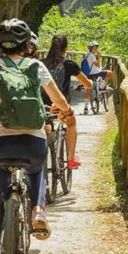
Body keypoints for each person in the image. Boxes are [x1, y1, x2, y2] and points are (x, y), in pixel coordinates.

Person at [0, 18, 75, 254]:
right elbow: (58, 99)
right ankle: (38, 209)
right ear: (27, 45)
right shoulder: (36, 67)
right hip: (32, 143)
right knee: (36, 170)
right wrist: (66, 111)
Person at [43, 34, 92, 169]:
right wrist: (89, 84)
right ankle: (71, 158)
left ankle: (47, 132)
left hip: (42, 107)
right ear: (66, 48)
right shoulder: (69, 64)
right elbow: (87, 84)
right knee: (71, 123)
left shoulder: (41, 64)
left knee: (45, 125)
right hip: (60, 106)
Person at [81, 41, 113, 115]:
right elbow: (97, 65)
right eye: (95, 47)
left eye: (96, 47)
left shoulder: (87, 54)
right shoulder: (92, 55)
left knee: (88, 88)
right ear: (92, 48)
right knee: (110, 73)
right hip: (95, 73)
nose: (96, 49)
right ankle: (101, 87)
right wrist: (98, 56)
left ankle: (86, 108)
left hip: (88, 74)